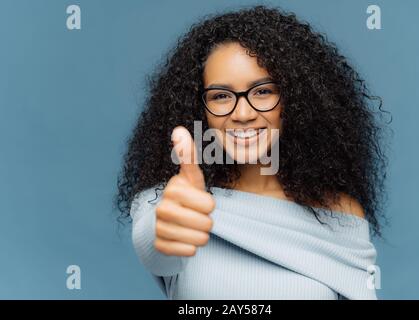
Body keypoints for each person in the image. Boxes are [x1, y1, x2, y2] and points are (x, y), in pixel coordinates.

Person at [116, 5, 389, 299]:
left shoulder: (339, 212)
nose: (243, 113)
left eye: (263, 91)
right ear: (198, 108)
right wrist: (163, 229)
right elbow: (156, 247)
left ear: (296, 100)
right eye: (221, 96)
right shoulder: (171, 202)